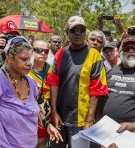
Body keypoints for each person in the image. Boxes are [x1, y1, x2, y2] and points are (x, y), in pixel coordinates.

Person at [0, 36, 62, 148]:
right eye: (24, 59)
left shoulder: (31, 83)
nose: (29, 63)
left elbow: (33, 109)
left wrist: (48, 125)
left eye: (30, 59)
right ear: (10, 58)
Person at [46, 16, 108, 148]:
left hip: (81, 121)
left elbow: (96, 90)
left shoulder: (94, 55)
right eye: (74, 30)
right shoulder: (61, 53)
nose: (78, 33)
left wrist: (89, 120)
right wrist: (54, 111)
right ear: (67, 33)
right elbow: (53, 82)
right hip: (60, 119)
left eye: (81, 30)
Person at [28, 38, 52, 148]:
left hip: (45, 121)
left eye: (46, 51)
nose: (43, 53)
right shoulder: (24, 70)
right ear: (31, 51)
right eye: (38, 50)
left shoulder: (51, 70)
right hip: (27, 121)